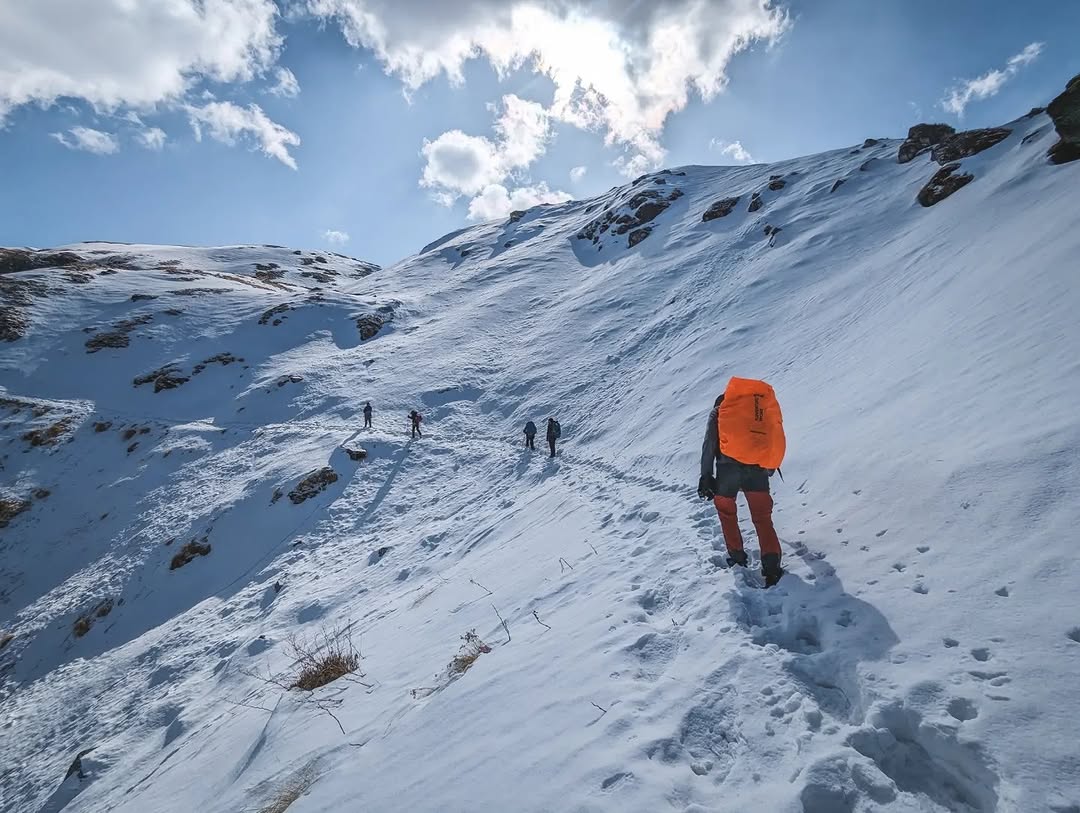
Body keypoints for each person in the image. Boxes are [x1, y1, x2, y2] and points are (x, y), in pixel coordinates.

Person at [697, 383, 784, 586]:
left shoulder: (718, 412)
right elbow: (772, 440)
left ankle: (737, 558)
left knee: (727, 514)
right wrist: (768, 468)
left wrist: (706, 476)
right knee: (763, 519)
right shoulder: (757, 414)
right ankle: (772, 568)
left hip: (727, 472)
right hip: (757, 470)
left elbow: (709, 445)